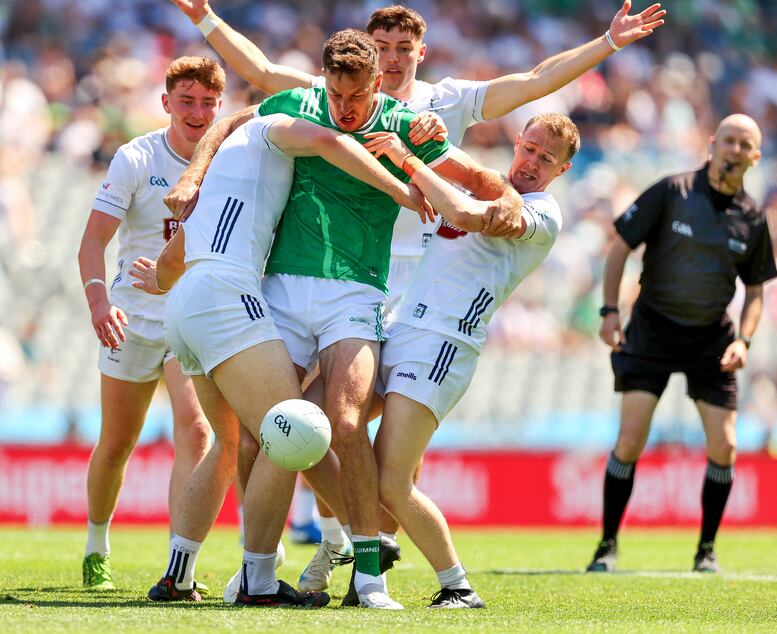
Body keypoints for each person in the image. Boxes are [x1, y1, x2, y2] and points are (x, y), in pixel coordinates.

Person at [167, 0, 666, 597]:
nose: (393, 57)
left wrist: (605, 44)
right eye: (384, 46)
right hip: (310, 280)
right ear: (367, 53)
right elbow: (261, 81)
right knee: (274, 430)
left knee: (364, 441)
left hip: (391, 287)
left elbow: (529, 91)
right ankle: (284, 560)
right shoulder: (321, 93)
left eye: (404, 48)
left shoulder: (437, 107)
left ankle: (369, 564)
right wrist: (205, 20)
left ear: (416, 54)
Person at [168, 28, 524, 609]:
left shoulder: (408, 128)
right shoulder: (300, 104)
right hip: (280, 288)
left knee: (347, 422)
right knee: (264, 432)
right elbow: (232, 120)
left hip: (356, 294)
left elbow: (481, 181)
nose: (343, 109)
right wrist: (191, 176)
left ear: (378, 82)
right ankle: (256, 573)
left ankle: (368, 579)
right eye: (334, 96)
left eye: (354, 98)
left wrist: (507, 199)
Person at [132, 106, 427, 605]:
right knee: (292, 433)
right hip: (229, 296)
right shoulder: (272, 128)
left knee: (231, 446)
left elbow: (168, 266)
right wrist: (402, 190)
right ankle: (279, 575)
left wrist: (159, 280)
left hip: (186, 305)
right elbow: (332, 143)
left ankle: (179, 574)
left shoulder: (226, 167)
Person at [360, 112, 579, 607]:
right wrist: (425, 132)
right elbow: (451, 164)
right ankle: (360, 549)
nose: (532, 163)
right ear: (517, 142)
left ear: (561, 171)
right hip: (402, 327)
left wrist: (408, 159)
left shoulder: (542, 214)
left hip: (445, 343)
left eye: (547, 159)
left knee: (391, 479)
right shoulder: (492, 183)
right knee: (329, 426)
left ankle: (456, 584)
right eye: (529, 148)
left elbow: (462, 216)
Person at [587, 114, 777, 574]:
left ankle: (706, 551)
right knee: (630, 440)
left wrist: (745, 340)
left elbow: (755, 292)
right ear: (713, 144)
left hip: (712, 339)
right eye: (728, 140)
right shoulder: (672, 191)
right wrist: (610, 311)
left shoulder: (752, 217)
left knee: (726, 446)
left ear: (755, 156)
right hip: (651, 330)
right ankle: (607, 546)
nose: (734, 149)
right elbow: (619, 248)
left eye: (744, 144)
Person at [76, 56, 223, 591]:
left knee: (198, 429)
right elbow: (92, 243)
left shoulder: (227, 160)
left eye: (208, 102)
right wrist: (98, 303)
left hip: (192, 318)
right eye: (187, 101)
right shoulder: (136, 157)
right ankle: (97, 543)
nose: (198, 111)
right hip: (132, 318)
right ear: (166, 103)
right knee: (117, 444)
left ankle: (177, 567)